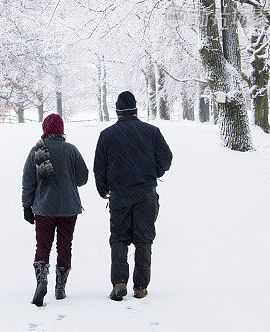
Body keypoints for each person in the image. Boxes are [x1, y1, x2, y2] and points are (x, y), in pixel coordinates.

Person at [94, 90, 172, 301]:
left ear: (118, 111)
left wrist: (103, 190)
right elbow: (166, 158)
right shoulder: (151, 132)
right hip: (146, 193)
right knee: (144, 239)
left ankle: (119, 283)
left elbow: (99, 167)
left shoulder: (107, 135)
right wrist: (153, 173)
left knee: (119, 238)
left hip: (119, 195)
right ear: (136, 110)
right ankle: (140, 286)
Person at [22, 113, 89, 307]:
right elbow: (83, 179)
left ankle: (42, 279)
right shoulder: (71, 150)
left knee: (42, 246)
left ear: (45, 130)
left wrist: (27, 206)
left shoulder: (37, 150)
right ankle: (60, 286)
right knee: (64, 246)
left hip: (44, 208)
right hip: (68, 207)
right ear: (62, 130)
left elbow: (28, 181)